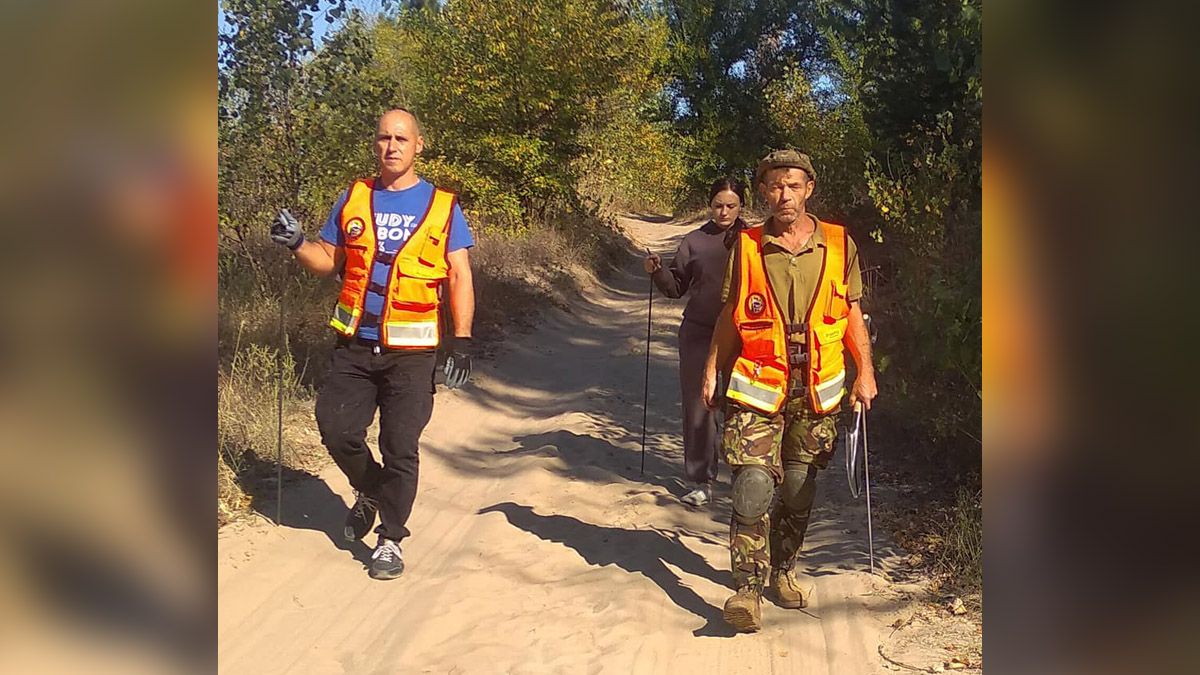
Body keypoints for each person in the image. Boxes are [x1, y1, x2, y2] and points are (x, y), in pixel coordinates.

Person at [269, 108, 476, 580]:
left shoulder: (443, 207)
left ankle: (390, 539)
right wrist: (298, 242)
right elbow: (328, 260)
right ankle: (372, 488)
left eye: (402, 138)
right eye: (384, 137)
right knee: (335, 429)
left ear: (418, 145)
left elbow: (460, 273)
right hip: (354, 346)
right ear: (375, 143)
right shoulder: (355, 197)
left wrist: (461, 341)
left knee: (400, 444)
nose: (392, 146)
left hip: (413, 353)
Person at [702, 149, 877, 632]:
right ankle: (746, 590)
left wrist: (866, 371)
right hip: (759, 387)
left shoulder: (840, 245)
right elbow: (729, 315)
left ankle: (782, 569)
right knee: (753, 485)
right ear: (763, 192)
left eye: (794, 186)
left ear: (809, 189)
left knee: (799, 489)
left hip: (817, 389)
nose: (785, 195)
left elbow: (852, 315)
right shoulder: (747, 245)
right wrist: (712, 368)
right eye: (775, 187)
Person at [643, 178, 748, 507]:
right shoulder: (695, 241)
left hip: (745, 335)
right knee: (699, 406)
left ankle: (747, 478)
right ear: (709, 205)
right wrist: (658, 272)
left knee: (746, 406)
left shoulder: (755, 240)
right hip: (699, 332)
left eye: (731, 206)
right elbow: (675, 287)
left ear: (741, 206)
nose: (724, 211)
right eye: (718, 205)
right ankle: (701, 480)